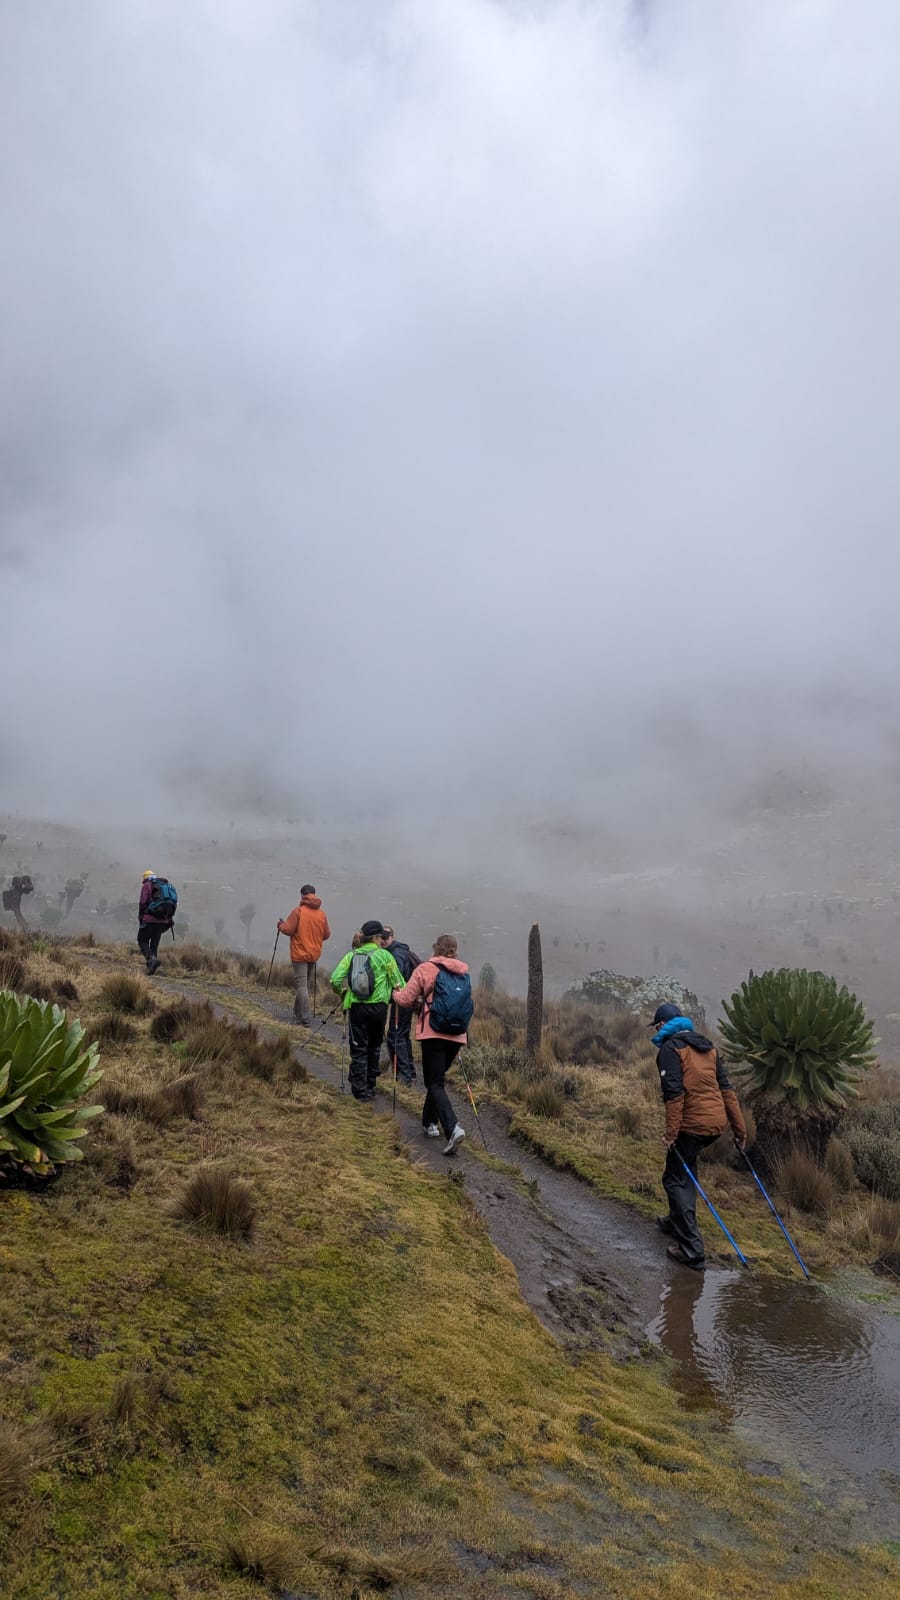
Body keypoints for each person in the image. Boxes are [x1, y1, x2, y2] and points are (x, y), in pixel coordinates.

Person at [650, 1001, 747, 1270]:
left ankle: (691, 1250)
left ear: (661, 1026)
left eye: (656, 1026)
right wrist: (740, 1132)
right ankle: (674, 1221)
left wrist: (671, 1134)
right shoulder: (707, 1045)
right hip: (716, 1124)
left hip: (691, 1126)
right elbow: (727, 1091)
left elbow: (674, 1095)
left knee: (675, 1179)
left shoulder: (670, 1049)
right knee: (682, 1169)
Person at [391, 933, 471, 1156]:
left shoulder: (426, 969)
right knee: (437, 1079)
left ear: (436, 948)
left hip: (433, 1033)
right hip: (456, 1036)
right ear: (455, 950)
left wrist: (395, 993)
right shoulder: (464, 973)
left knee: (434, 1083)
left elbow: (406, 999)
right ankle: (429, 1123)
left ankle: (453, 1128)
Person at [330, 921, 405, 1102]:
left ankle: (359, 1090)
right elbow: (400, 983)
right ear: (377, 937)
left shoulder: (351, 956)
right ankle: (371, 1086)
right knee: (374, 1046)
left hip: (357, 1007)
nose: (382, 940)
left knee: (358, 1048)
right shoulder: (385, 957)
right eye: (381, 937)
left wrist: (343, 993)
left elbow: (334, 979)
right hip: (379, 1008)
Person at [277, 884, 331, 1026]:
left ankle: (305, 1017)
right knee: (305, 984)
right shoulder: (322, 915)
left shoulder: (298, 912)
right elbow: (326, 935)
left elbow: (288, 929)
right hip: (314, 954)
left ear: (302, 895)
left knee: (302, 985)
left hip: (300, 953)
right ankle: (297, 1012)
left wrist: (280, 925)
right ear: (314, 894)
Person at [381, 925, 421, 1084]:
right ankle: (409, 1070)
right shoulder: (400, 951)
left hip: (402, 1000)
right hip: (407, 999)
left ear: (392, 936)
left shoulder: (396, 955)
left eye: (386, 937)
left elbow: (397, 978)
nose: (383, 940)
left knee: (395, 1036)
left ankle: (404, 1075)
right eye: (381, 937)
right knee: (403, 1035)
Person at [138, 870, 176, 975]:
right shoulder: (165, 886)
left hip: (149, 919)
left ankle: (151, 959)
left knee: (142, 939)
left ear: (145, 878)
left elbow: (142, 902)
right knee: (154, 943)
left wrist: (141, 917)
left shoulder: (147, 885)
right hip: (163, 921)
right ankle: (152, 967)